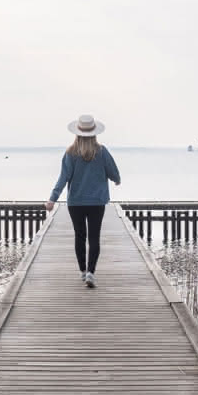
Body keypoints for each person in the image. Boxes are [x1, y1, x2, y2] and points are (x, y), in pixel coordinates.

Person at [45, 114, 121, 288]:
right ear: (95, 133)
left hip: (76, 203)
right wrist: (117, 179)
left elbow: (63, 178)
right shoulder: (102, 152)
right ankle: (91, 273)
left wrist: (52, 199)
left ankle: (82, 271)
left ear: (77, 133)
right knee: (94, 237)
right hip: (96, 202)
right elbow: (113, 171)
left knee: (80, 236)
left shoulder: (70, 153)